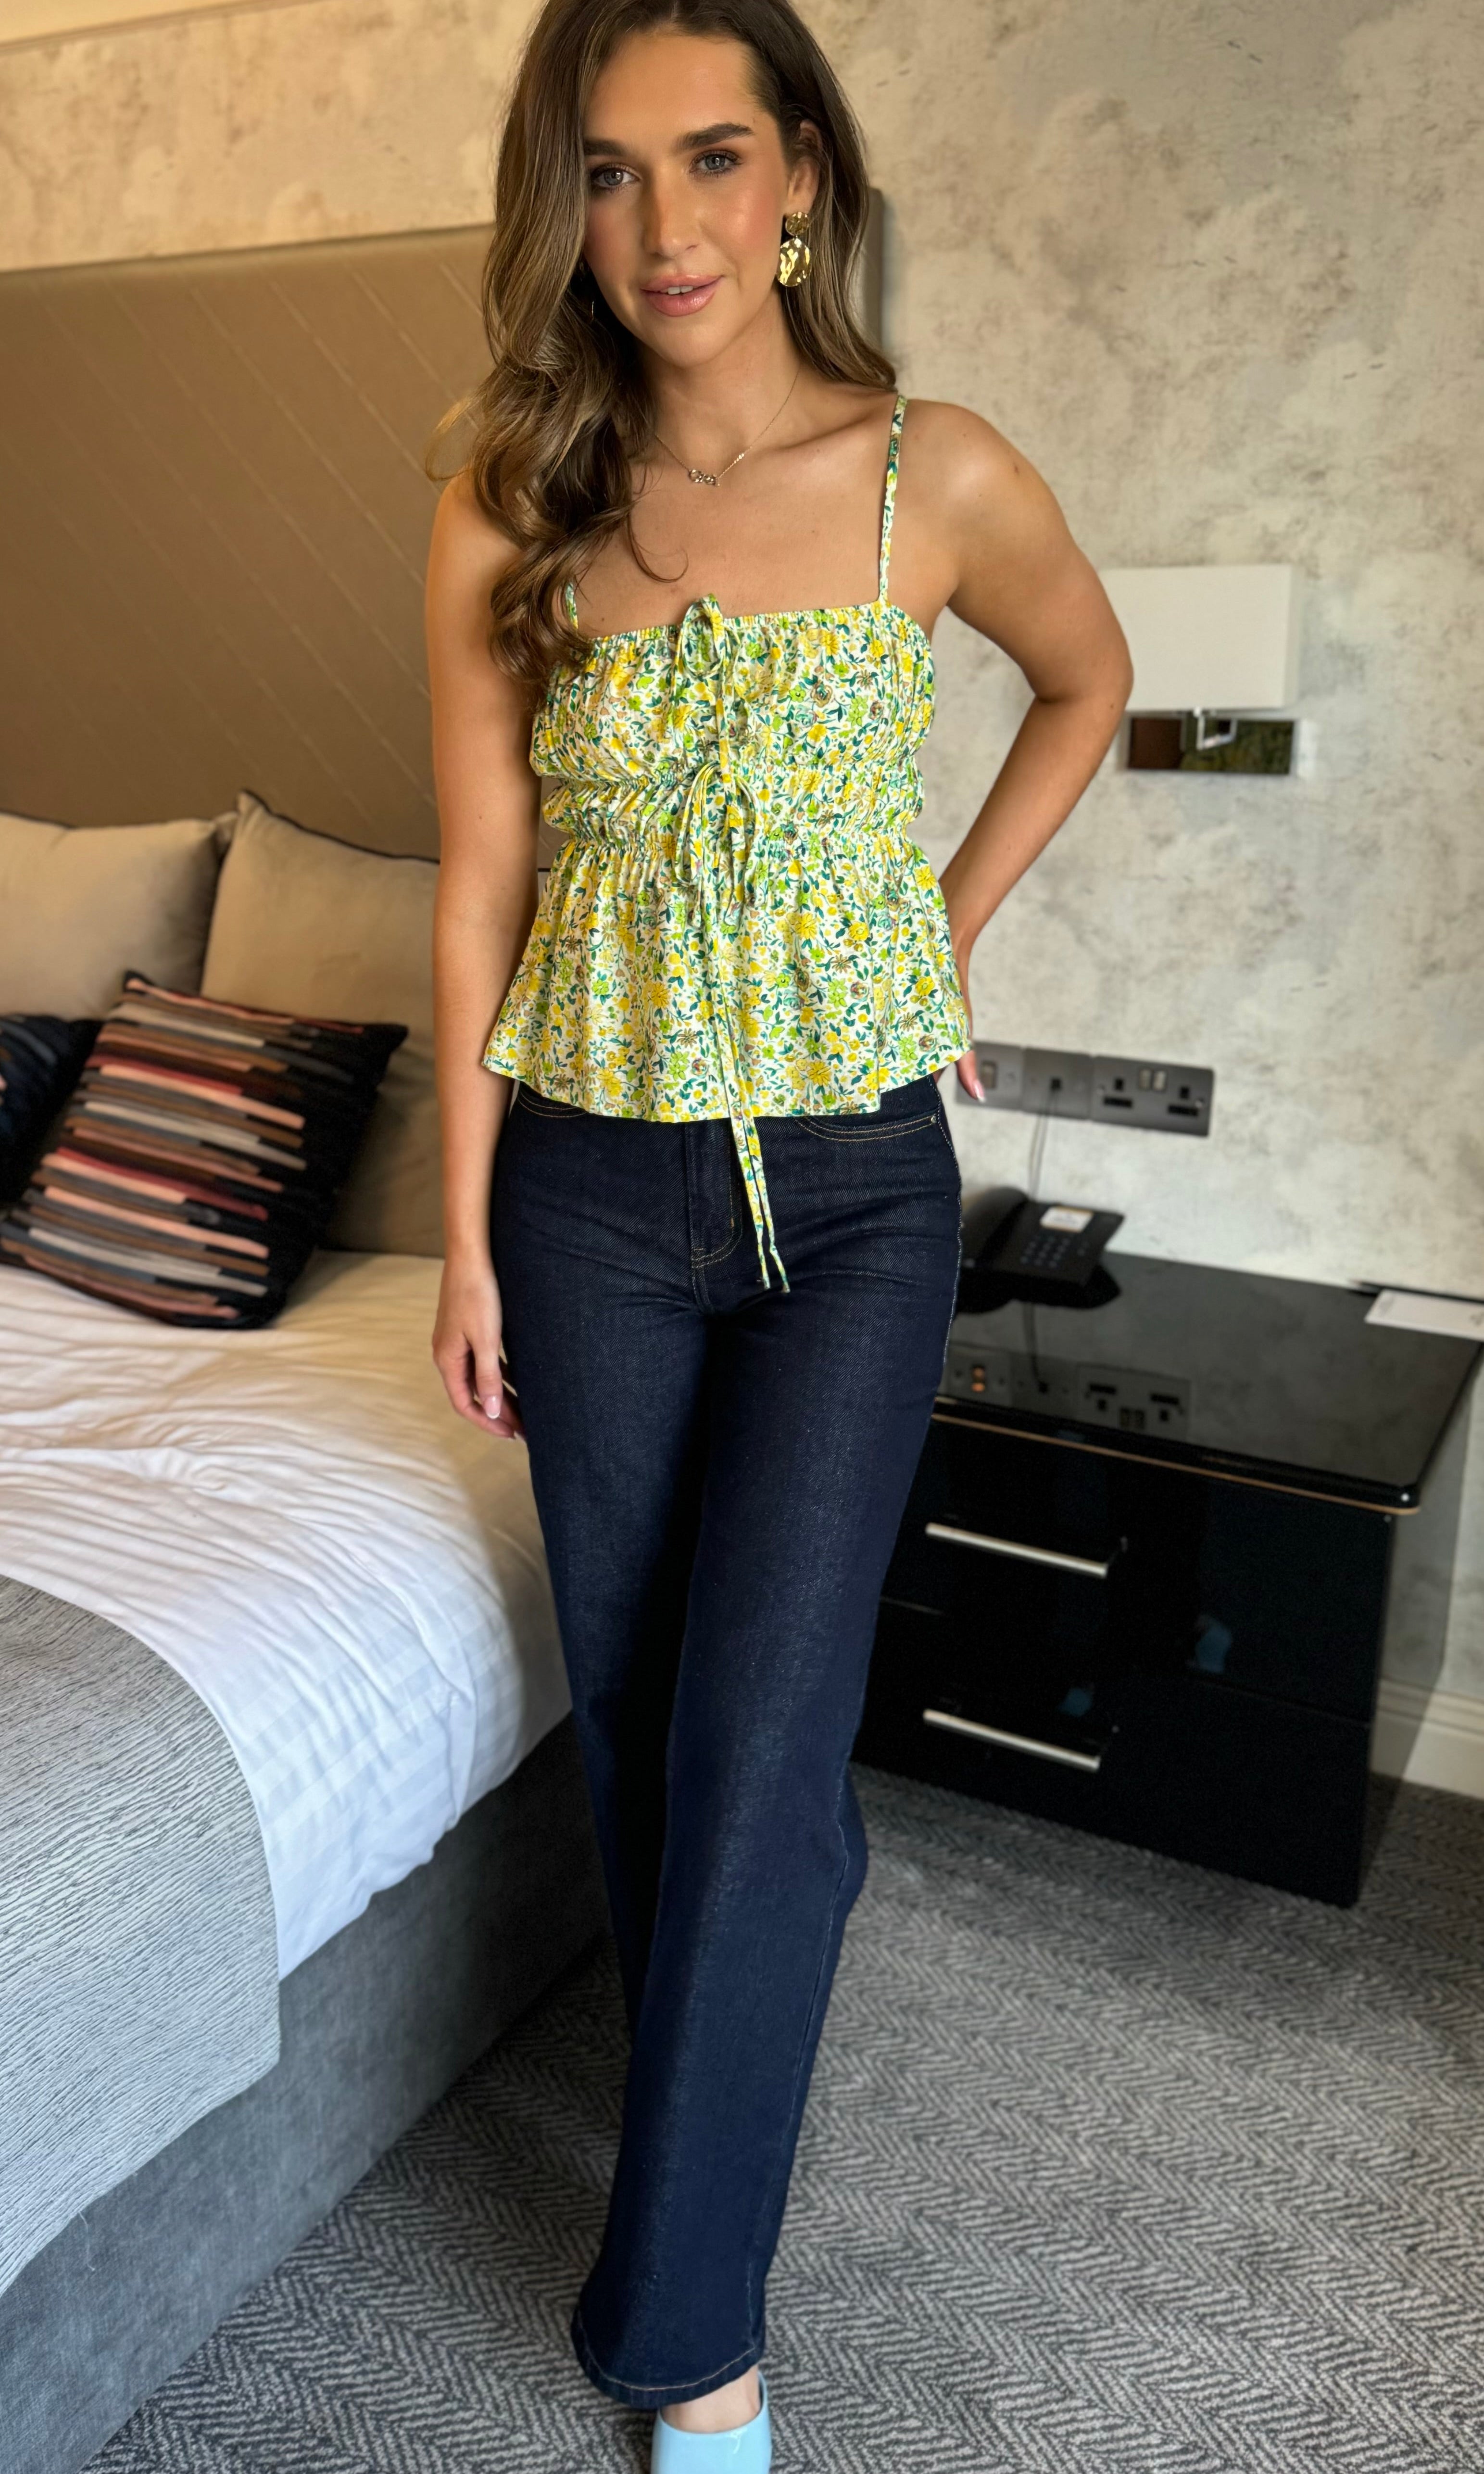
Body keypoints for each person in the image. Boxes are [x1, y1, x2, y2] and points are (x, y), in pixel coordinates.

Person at [426, 1, 1132, 2462]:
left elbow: (1088, 682)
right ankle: (710, 2154)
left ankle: (684, 2334)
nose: (666, 224)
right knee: (640, 1709)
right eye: (608, 171)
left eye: (713, 156)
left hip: (851, 1190)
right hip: (587, 1189)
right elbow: (482, 883)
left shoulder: (935, 473)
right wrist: (462, 1235)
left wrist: (943, 924)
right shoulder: (514, 498)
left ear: (804, 170)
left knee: (759, 1737)